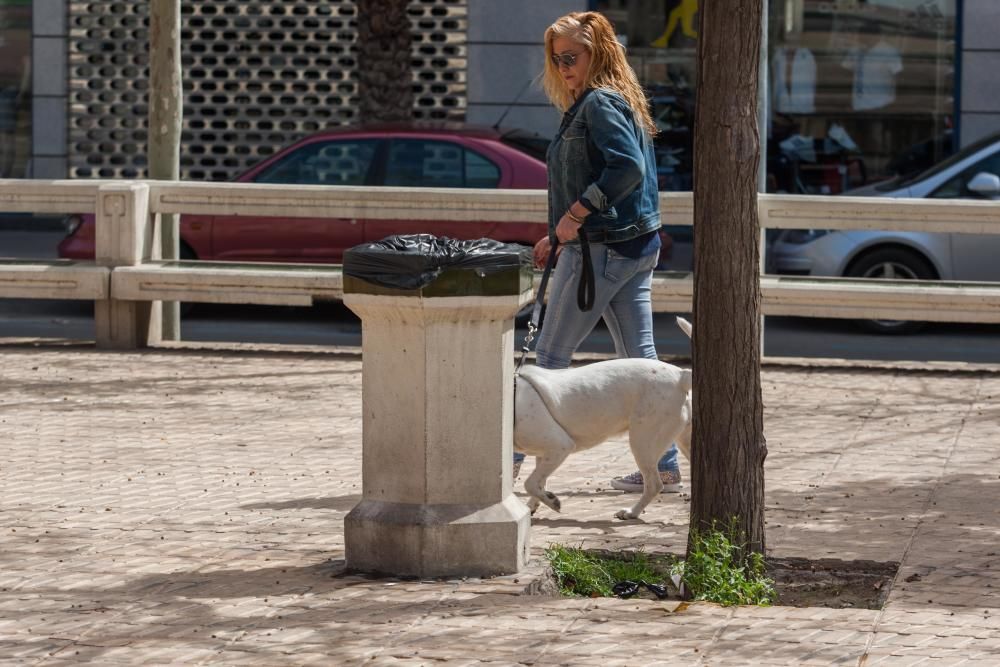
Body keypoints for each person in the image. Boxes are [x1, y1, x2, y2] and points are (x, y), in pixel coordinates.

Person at [513, 11, 682, 494]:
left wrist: (575, 217)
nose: (564, 66)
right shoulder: (620, 101)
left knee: (545, 358)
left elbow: (625, 169)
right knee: (641, 355)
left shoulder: (599, 104)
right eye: (556, 58)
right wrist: (561, 233)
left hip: (602, 250)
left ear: (598, 52)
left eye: (572, 57)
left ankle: (503, 465)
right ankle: (664, 465)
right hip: (630, 245)